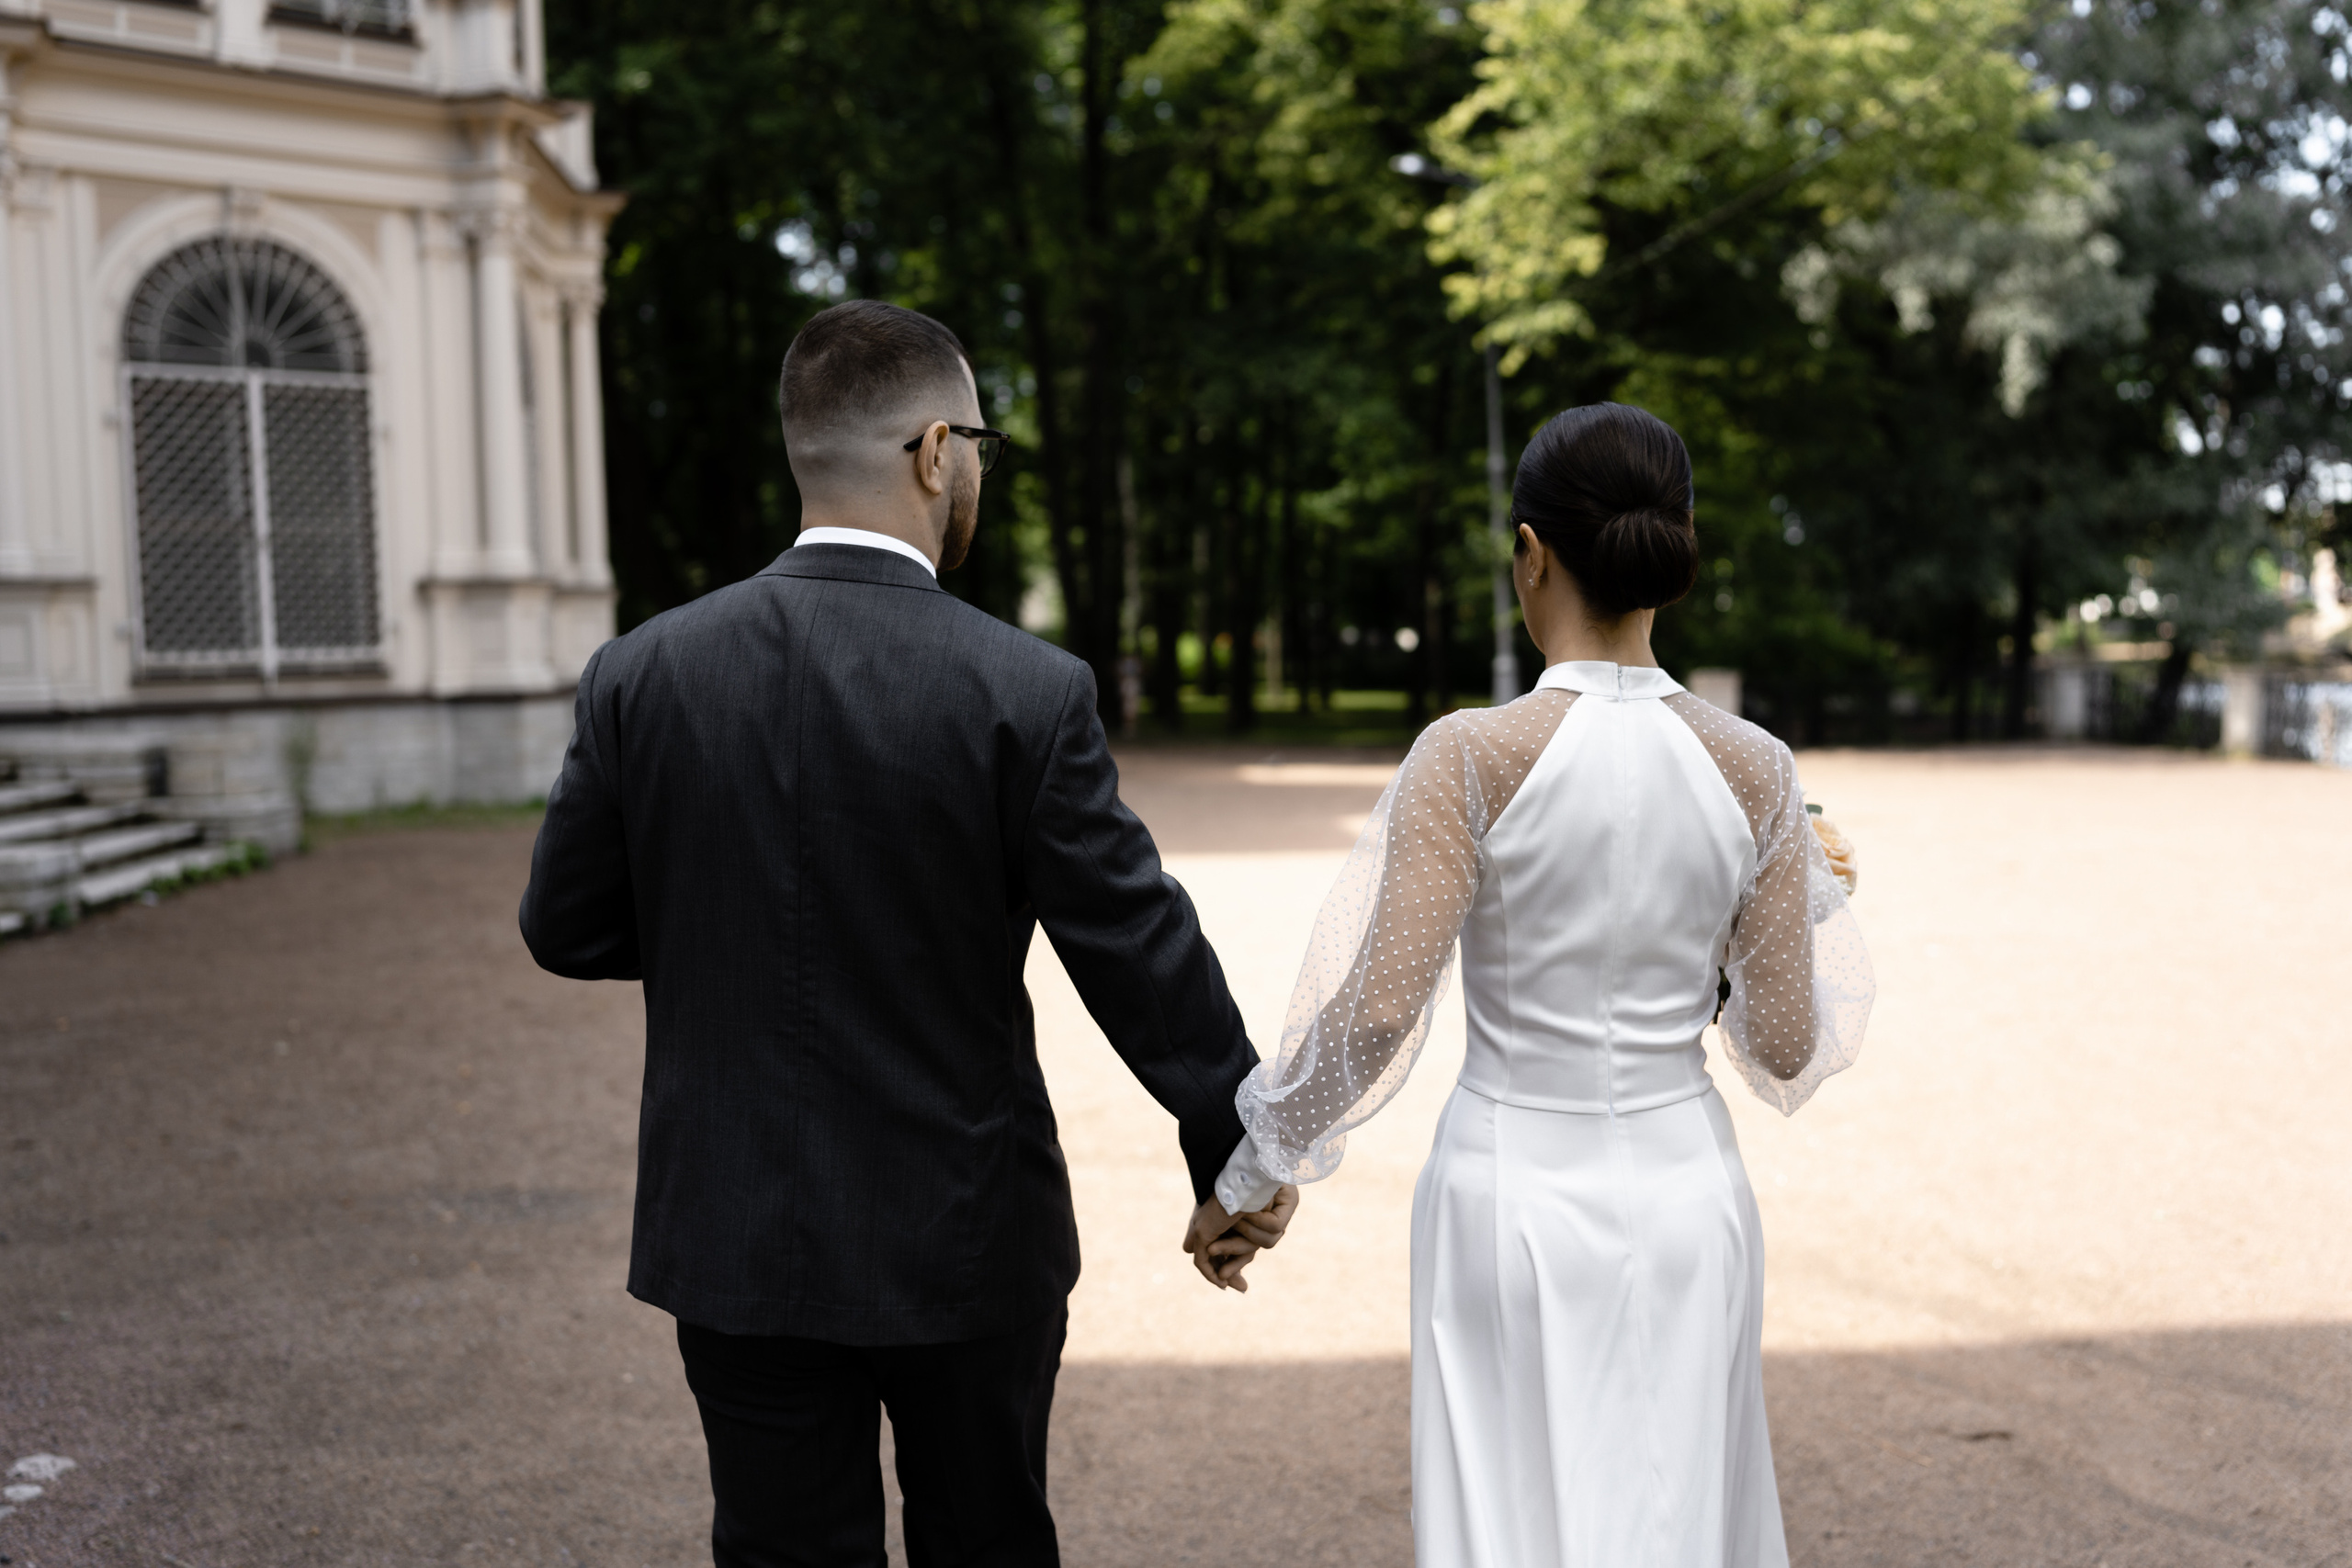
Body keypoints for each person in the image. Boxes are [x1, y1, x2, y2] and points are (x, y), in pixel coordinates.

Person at [518, 299, 1296, 1568]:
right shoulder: (1024, 688)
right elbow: (1135, 948)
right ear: (937, 452)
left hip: (737, 1228)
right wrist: (1236, 1149)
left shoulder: (643, 671)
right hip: (966, 1232)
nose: (978, 469)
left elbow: (565, 924)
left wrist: (729, 925)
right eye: (979, 444)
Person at [1200, 402, 1875, 1567]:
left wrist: (1249, 1174)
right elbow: (1781, 1043)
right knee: (1678, 1514)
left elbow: (1377, 1009)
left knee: (1514, 1522)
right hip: (1688, 1193)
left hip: (1510, 1193)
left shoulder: (1471, 754)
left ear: (1530, 551)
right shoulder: (1756, 767)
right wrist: (1772, 916)